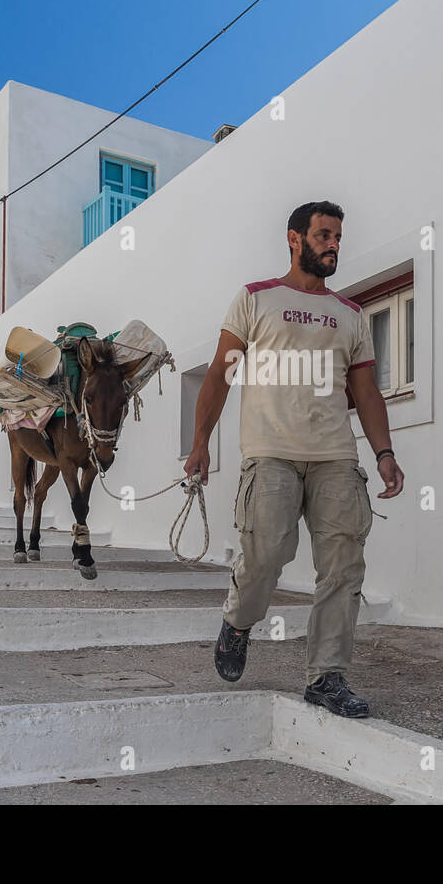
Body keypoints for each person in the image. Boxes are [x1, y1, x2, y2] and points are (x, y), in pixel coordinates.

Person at [183, 200, 405, 717]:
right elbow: (219, 373)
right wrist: (200, 443)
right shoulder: (256, 299)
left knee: (343, 567)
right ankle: (239, 622)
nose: (333, 244)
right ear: (294, 238)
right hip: (270, 454)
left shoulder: (350, 315)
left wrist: (384, 453)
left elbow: (366, 391)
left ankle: (327, 676)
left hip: (335, 457)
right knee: (265, 556)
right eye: (324, 234)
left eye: (337, 237)